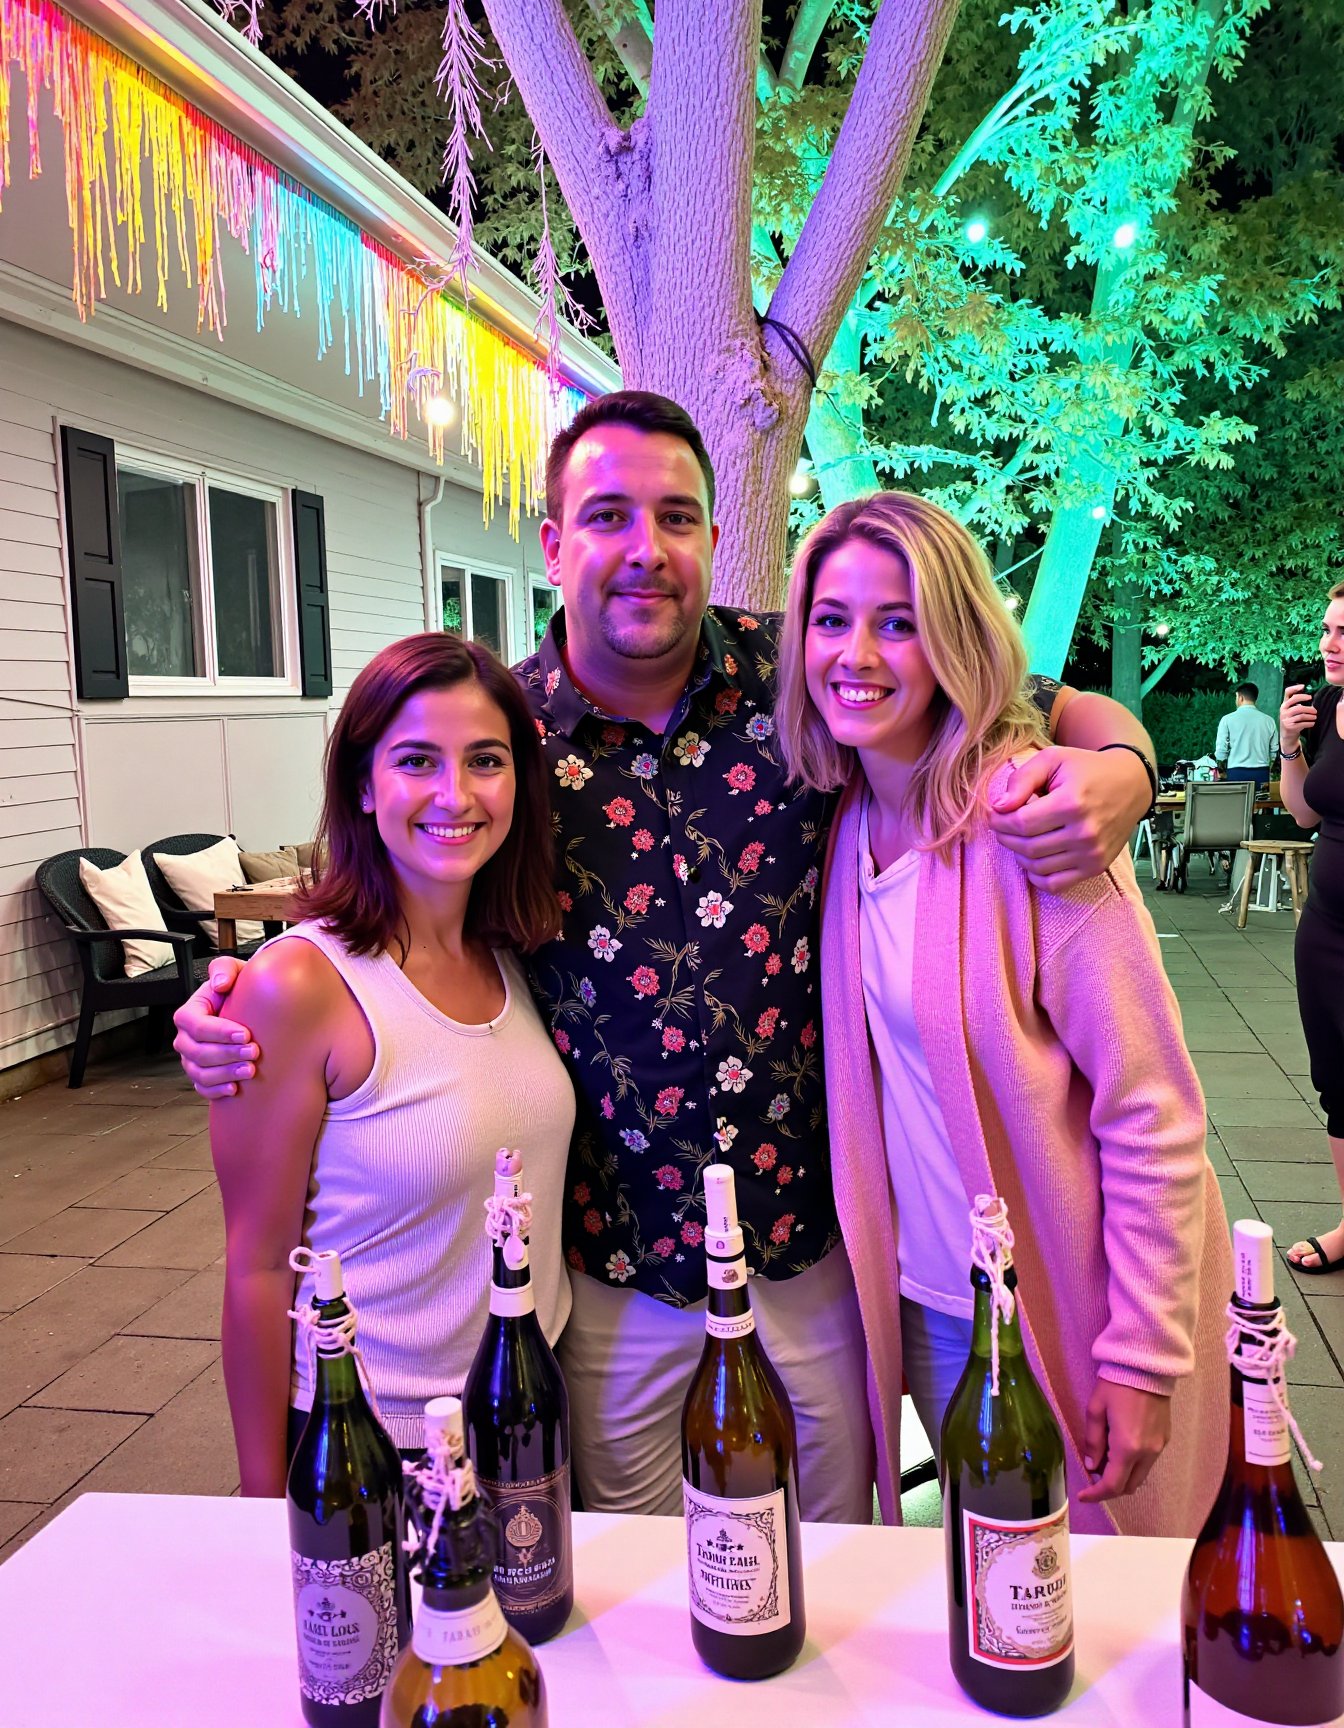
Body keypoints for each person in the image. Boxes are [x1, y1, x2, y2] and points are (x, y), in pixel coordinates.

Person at [176, 391, 1160, 1522]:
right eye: (607, 516)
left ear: (710, 539)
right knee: (637, 1597)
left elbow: (1022, 700)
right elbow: (400, 870)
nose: (645, 550)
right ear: (554, 545)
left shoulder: (807, 680)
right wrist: (247, 998)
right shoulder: (502, 737)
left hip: (809, 1245)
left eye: (677, 517)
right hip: (609, 1275)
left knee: (834, 1569)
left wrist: (1124, 767)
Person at [776, 491, 1232, 1536]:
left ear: (955, 642)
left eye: (900, 622)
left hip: (1071, 1309)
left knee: (1129, 1607)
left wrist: (1144, 1356)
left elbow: (1151, 1112)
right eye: (833, 619)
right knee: (1004, 1597)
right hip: (939, 1307)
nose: (859, 653)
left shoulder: (1037, 831)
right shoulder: (846, 828)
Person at [210, 633, 574, 1495]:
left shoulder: (511, 954)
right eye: (417, 760)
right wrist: (262, 1506)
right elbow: (257, 1268)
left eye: (484, 760)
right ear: (364, 788)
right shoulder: (300, 983)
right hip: (374, 1447)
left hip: (528, 1420)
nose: (455, 794)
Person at [1281, 583, 1344, 1276]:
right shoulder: (1326, 708)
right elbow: (1302, 814)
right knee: (1337, 1081)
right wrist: (1290, 741)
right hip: (1325, 930)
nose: (1329, 644)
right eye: (1327, 629)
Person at [1215, 681, 1278, 790]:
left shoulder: (1227, 720)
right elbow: (1274, 751)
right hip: (1262, 772)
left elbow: (1221, 751)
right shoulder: (1269, 721)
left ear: (1240, 697)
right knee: (1262, 803)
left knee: (1237, 805)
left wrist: (1221, 769)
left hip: (1236, 772)